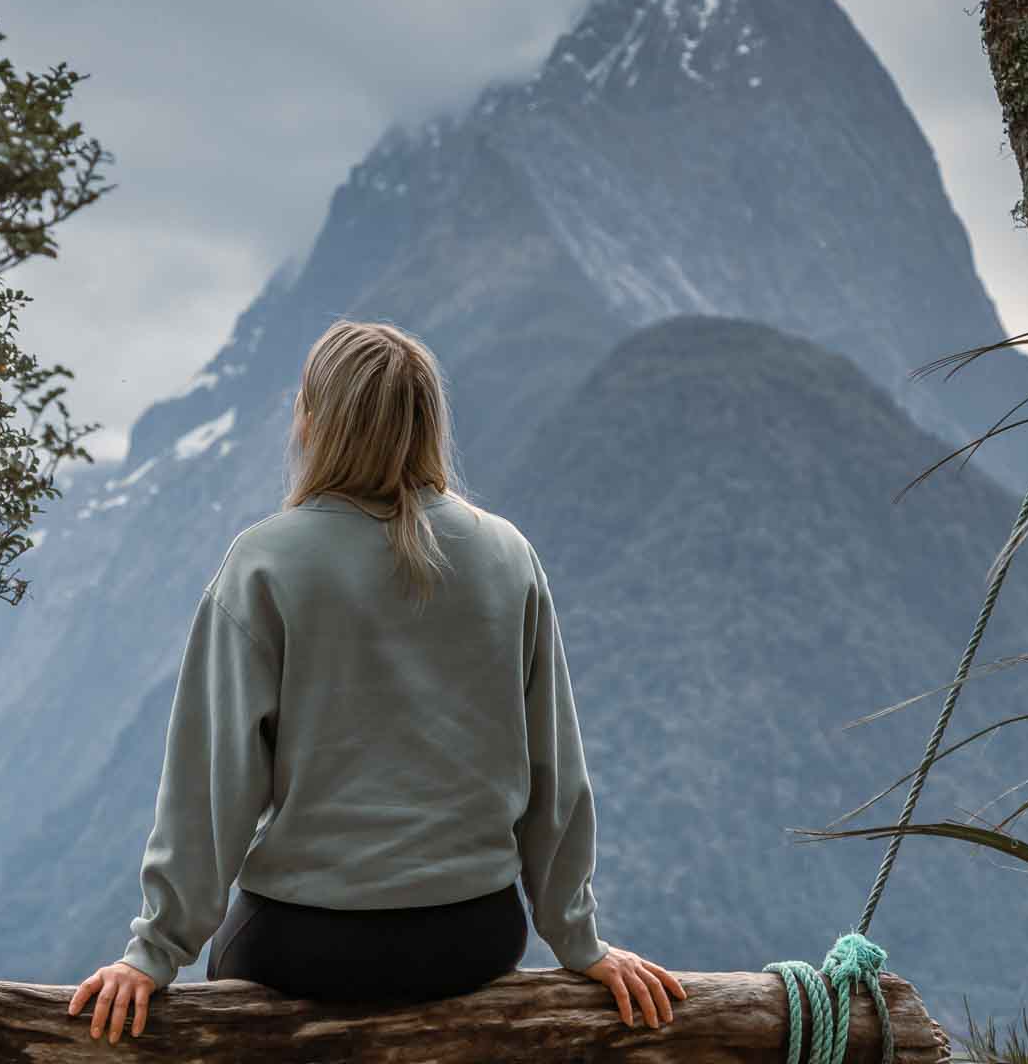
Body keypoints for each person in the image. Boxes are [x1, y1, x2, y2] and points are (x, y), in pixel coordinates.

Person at [67, 319, 686, 1044]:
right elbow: (556, 773)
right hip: (473, 934)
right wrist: (580, 940)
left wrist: (155, 952)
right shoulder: (508, 556)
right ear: (428, 424)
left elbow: (214, 786)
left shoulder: (265, 562)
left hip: (307, 945)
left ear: (314, 422)